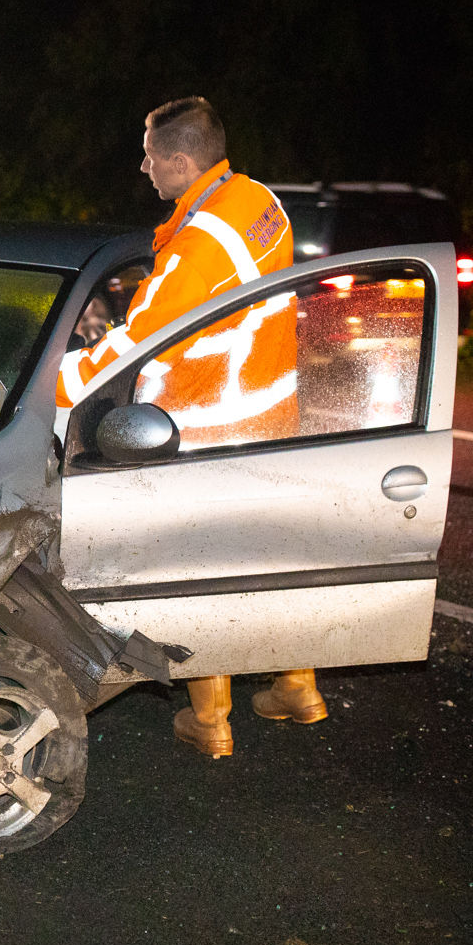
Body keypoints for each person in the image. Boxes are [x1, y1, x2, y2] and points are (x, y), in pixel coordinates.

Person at [56, 96, 326, 758]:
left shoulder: (200, 249)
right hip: (269, 414)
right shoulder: (260, 202)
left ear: (180, 162)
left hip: (207, 427)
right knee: (266, 561)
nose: (142, 166)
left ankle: (212, 721)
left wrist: (57, 384)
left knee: (204, 573)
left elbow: (138, 340)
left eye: (150, 156)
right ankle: (298, 686)